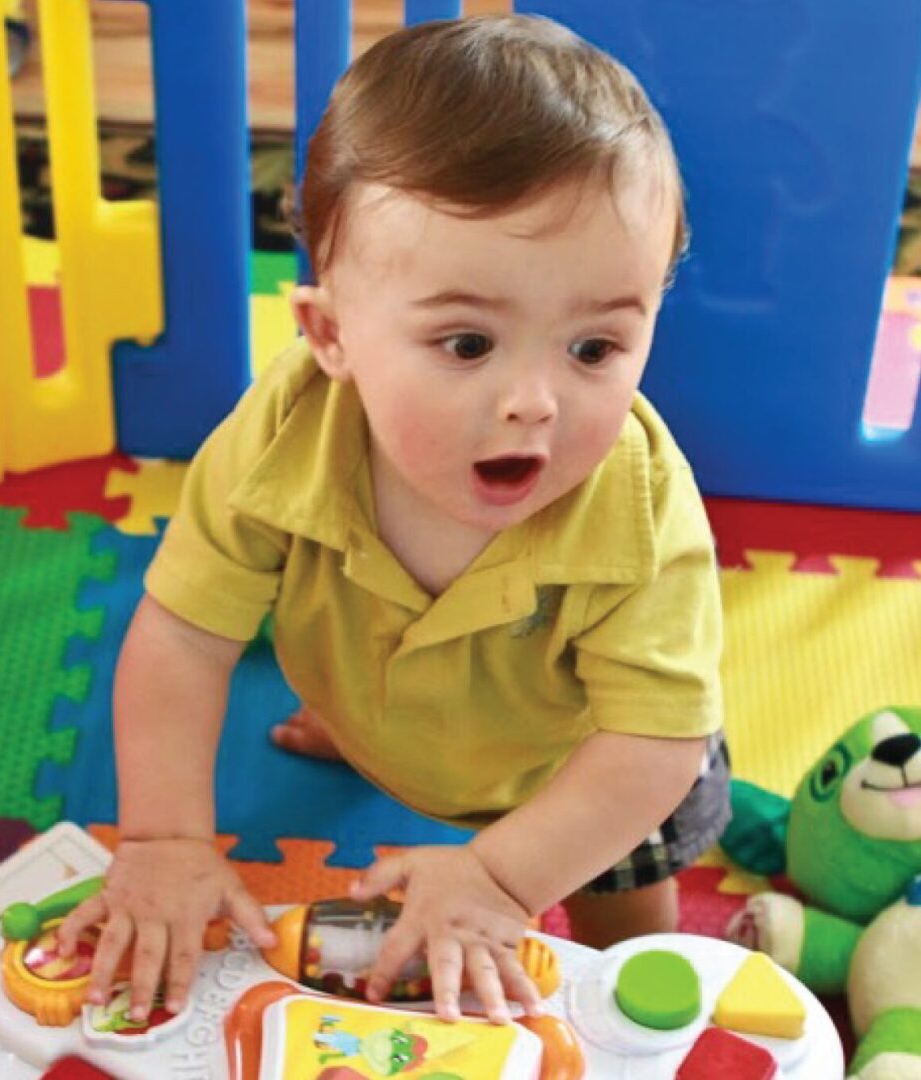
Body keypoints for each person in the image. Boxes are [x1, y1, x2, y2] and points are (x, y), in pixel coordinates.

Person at [58, 12, 729, 1028]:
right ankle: (368, 723)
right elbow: (186, 637)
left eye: (594, 349)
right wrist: (162, 843)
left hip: (586, 773)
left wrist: (505, 882)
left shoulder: (639, 510)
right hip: (382, 694)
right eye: (467, 344)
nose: (533, 401)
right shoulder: (280, 438)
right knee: (359, 661)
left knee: (624, 944)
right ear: (331, 336)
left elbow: (652, 746)